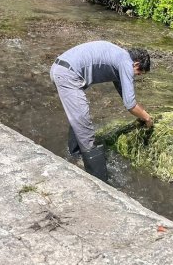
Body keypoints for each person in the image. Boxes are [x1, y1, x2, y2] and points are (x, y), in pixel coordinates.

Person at [50, 41, 153, 182]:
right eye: (139, 72)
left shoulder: (119, 57)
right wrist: (147, 118)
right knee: (84, 125)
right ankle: (100, 182)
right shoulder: (125, 63)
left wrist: (141, 114)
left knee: (78, 116)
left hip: (61, 68)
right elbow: (130, 104)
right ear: (136, 64)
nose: (137, 76)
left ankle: (74, 156)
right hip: (67, 74)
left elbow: (126, 95)